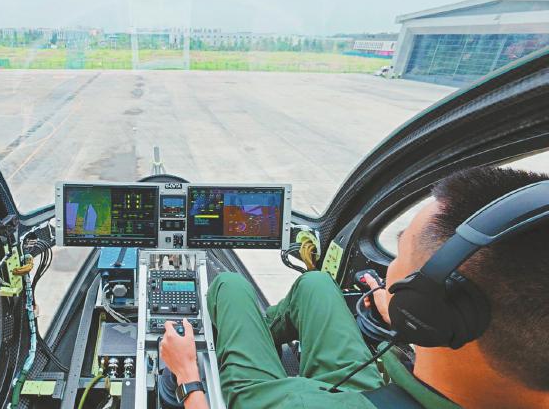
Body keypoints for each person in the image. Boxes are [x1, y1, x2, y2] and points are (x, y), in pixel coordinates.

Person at [160, 167, 549, 408]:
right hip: (381, 394)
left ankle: (236, 344)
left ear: (428, 312)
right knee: (315, 283)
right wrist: (401, 328)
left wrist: (187, 377)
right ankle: (249, 338)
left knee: (230, 286)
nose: (391, 269)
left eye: (401, 255)